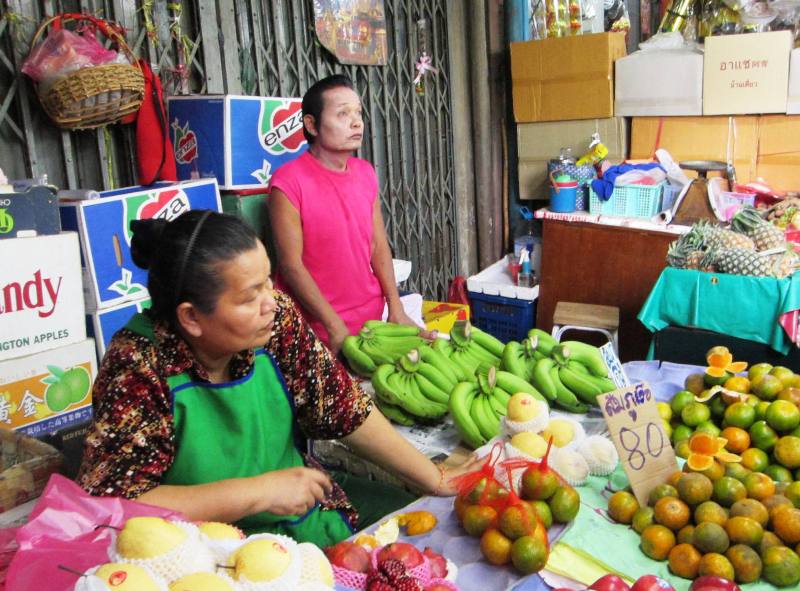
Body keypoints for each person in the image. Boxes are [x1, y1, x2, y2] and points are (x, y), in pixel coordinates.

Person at [77, 210, 479, 547]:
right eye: (250, 296)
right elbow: (113, 505)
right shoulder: (137, 366)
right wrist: (258, 493)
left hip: (300, 512)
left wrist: (434, 477)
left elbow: (343, 408)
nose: (271, 301)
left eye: (268, 282)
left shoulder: (277, 321)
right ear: (191, 317)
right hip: (198, 550)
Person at [268, 74, 418, 354]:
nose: (356, 122)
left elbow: (378, 245)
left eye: (358, 112)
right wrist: (334, 326)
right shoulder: (288, 182)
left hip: (371, 325)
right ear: (311, 125)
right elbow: (291, 265)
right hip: (316, 331)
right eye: (342, 114)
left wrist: (395, 308)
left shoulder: (365, 173)